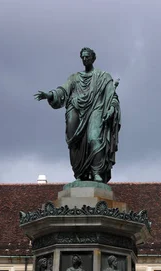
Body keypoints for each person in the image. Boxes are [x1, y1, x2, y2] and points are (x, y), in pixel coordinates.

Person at [34, 47, 121, 183]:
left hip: (96, 109)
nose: (85, 59)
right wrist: (50, 95)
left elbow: (112, 96)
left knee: (94, 138)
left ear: (93, 58)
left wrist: (111, 108)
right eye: (83, 57)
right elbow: (63, 90)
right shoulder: (74, 78)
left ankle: (96, 171)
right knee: (74, 142)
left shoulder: (104, 77)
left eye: (87, 57)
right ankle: (79, 173)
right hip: (75, 109)